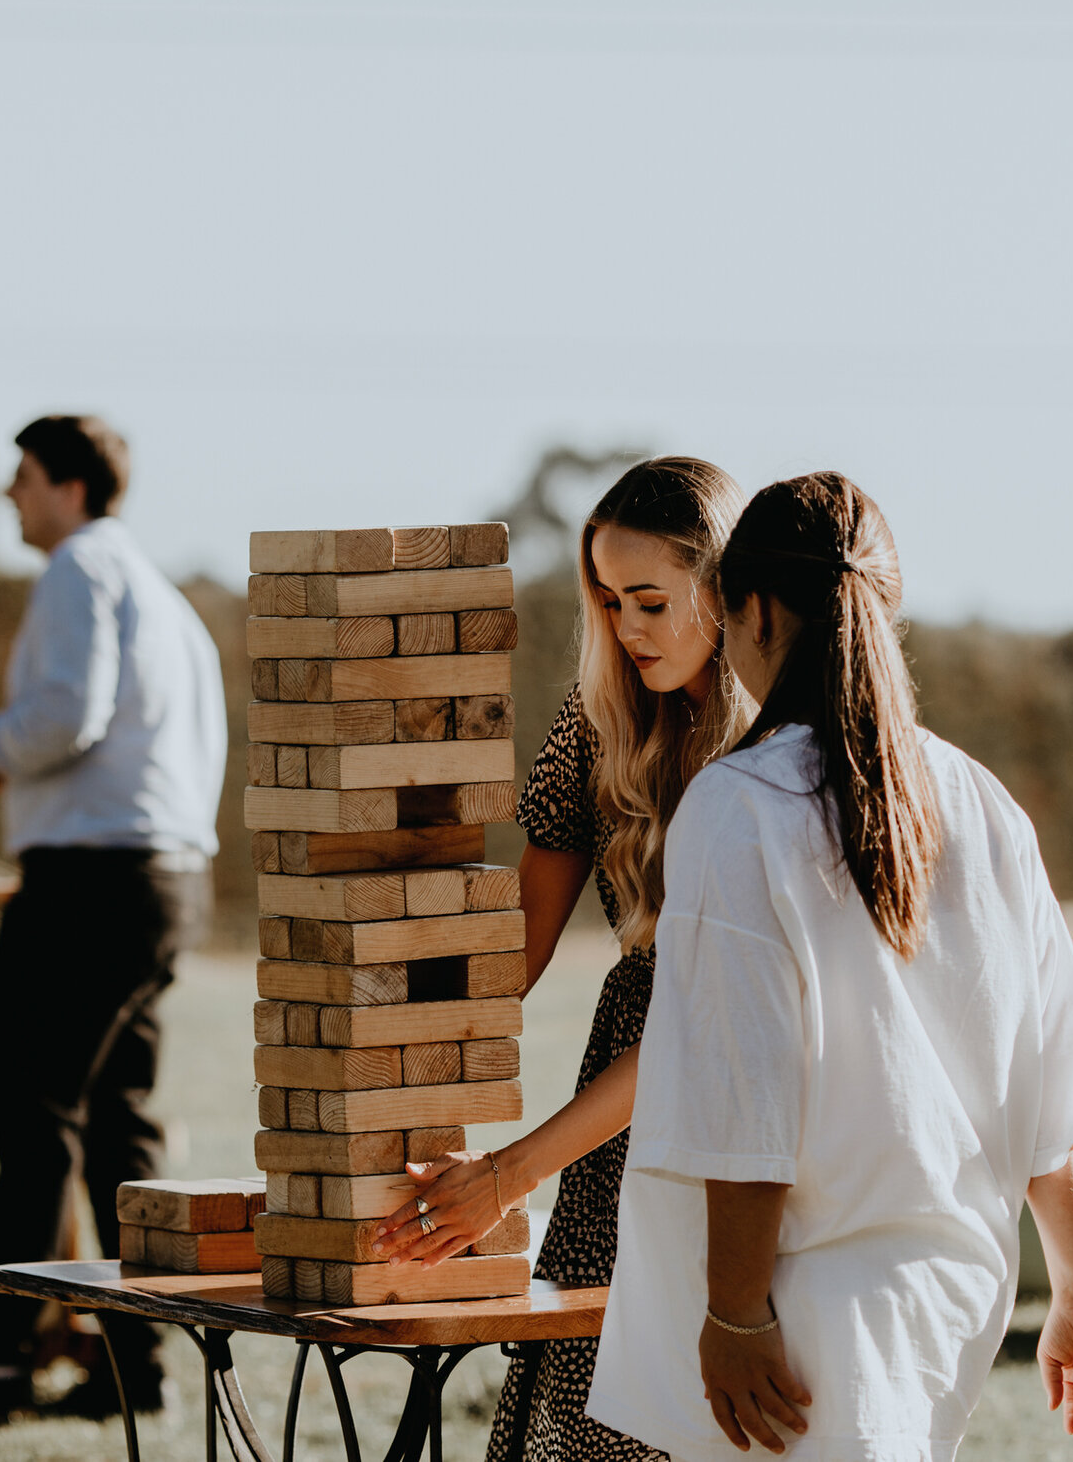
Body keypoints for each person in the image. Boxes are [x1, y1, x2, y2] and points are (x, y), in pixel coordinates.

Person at [587, 472, 1073, 1459]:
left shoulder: (738, 804)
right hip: (950, 1291)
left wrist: (737, 1311)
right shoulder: (982, 801)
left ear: (747, 610)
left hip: (801, 1304)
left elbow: (748, 1083)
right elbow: (1049, 1068)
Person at [373, 456, 749, 1461]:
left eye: (651, 599)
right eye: (607, 599)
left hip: (748, 1094)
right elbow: (511, 957)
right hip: (619, 1103)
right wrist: (373, 1013)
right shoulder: (595, 722)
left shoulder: (780, 751)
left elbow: (703, 1026)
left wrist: (505, 1173)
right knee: (589, 1413)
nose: (626, 626)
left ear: (721, 587)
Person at [0, 415, 227, 1421]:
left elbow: (66, 712)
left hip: (84, 881)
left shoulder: (78, 569)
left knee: (33, 1121)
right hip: (167, 880)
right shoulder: (167, 598)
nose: (7, 492)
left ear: (70, 486)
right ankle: (134, 1365)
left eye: (21, 474)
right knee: (122, 1128)